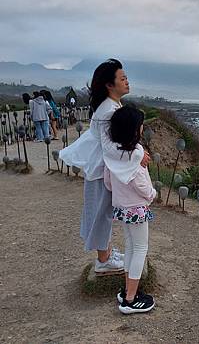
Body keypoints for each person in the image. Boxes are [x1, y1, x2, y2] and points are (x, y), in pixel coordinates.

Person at [59, 59, 150, 275]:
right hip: (101, 167)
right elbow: (111, 148)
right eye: (122, 78)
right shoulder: (108, 110)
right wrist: (138, 155)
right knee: (100, 213)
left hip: (102, 166)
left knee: (103, 211)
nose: (127, 81)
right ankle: (102, 261)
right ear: (110, 84)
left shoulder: (111, 105)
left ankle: (106, 253)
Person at [105, 105, 156, 314]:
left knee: (129, 247)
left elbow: (108, 182)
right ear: (135, 129)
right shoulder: (136, 154)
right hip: (137, 208)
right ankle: (130, 299)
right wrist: (152, 194)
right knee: (140, 249)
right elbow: (141, 184)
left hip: (122, 208)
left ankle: (127, 289)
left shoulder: (112, 152)